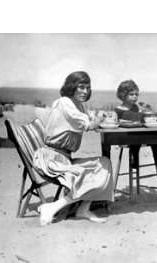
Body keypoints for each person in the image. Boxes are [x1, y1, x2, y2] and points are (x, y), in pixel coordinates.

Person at [33, 71, 114, 226]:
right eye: (81, 87)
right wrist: (98, 119)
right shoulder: (64, 102)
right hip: (51, 159)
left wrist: (96, 118)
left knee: (104, 163)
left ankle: (83, 209)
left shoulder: (78, 105)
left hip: (64, 157)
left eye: (87, 88)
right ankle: (52, 207)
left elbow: (88, 119)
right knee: (89, 173)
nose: (85, 91)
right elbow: (88, 124)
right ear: (72, 87)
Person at [115, 79, 157, 169]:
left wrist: (146, 111)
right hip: (125, 137)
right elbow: (131, 118)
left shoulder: (136, 107)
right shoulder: (119, 109)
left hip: (138, 134)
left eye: (136, 94)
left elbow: (140, 117)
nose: (135, 97)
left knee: (153, 137)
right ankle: (134, 160)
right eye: (131, 95)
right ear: (123, 95)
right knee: (136, 138)